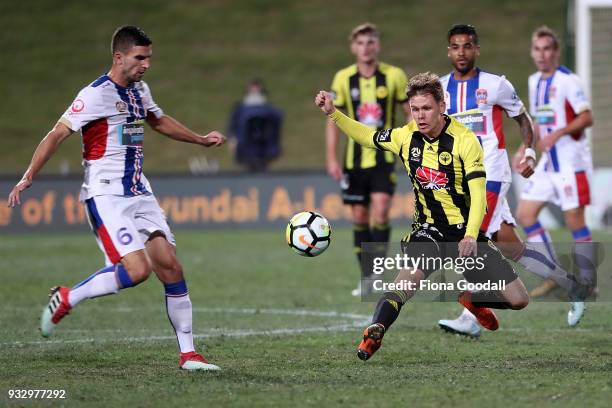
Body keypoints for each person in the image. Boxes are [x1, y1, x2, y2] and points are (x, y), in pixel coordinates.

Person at [7, 26, 225, 371]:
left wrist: (199, 140)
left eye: (149, 57)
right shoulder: (95, 95)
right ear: (119, 57)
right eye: (140, 58)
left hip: (139, 190)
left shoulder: (140, 90)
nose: (146, 64)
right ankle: (67, 297)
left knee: (169, 264)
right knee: (137, 271)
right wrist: (28, 175)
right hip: (106, 192)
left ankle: (189, 354)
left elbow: (158, 121)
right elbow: (56, 134)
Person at [315, 72, 530, 361]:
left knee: (518, 299)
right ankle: (375, 330)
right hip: (428, 230)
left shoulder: (465, 141)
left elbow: (478, 195)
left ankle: (473, 300)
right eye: (415, 109)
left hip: (464, 232)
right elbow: (367, 136)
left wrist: (469, 235)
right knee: (405, 283)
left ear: (442, 106)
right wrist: (334, 113)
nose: (420, 115)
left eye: (426, 108)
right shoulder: (406, 136)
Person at [436, 24, 587, 337]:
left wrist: (529, 150)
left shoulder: (495, 84)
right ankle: (573, 287)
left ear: (477, 50)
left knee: (471, 240)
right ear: (448, 51)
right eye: (455, 46)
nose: (461, 52)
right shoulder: (440, 89)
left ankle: (471, 318)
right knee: (513, 248)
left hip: (491, 175)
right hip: (463, 180)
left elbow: (523, 118)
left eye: (467, 46)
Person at [515, 26, 595, 321]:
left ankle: (588, 284)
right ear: (532, 52)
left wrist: (559, 133)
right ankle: (553, 274)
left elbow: (587, 117)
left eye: (548, 48)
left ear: (556, 51)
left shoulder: (568, 81)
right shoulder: (535, 80)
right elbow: (538, 120)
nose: (542, 54)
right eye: (537, 49)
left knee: (576, 223)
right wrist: (524, 148)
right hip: (547, 165)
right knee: (525, 215)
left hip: (571, 166)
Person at [326, 23, 411, 296]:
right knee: (360, 216)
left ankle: (377, 273)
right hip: (353, 159)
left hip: (384, 156)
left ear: (378, 45)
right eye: (361, 43)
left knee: (382, 208)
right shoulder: (342, 78)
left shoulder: (394, 76)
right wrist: (331, 158)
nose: (366, 48)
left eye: (370, 42)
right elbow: (332, 119)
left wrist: (410, 141)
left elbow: (410, 111)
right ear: (353, 47)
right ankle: (366, 276)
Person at [228, 79, 283, 172]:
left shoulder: (269, 110)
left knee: (263, 172)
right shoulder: (240, 109)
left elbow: (276, 123)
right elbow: (233, 125)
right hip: (246, 146)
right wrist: (232, 139)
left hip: (263, 148)